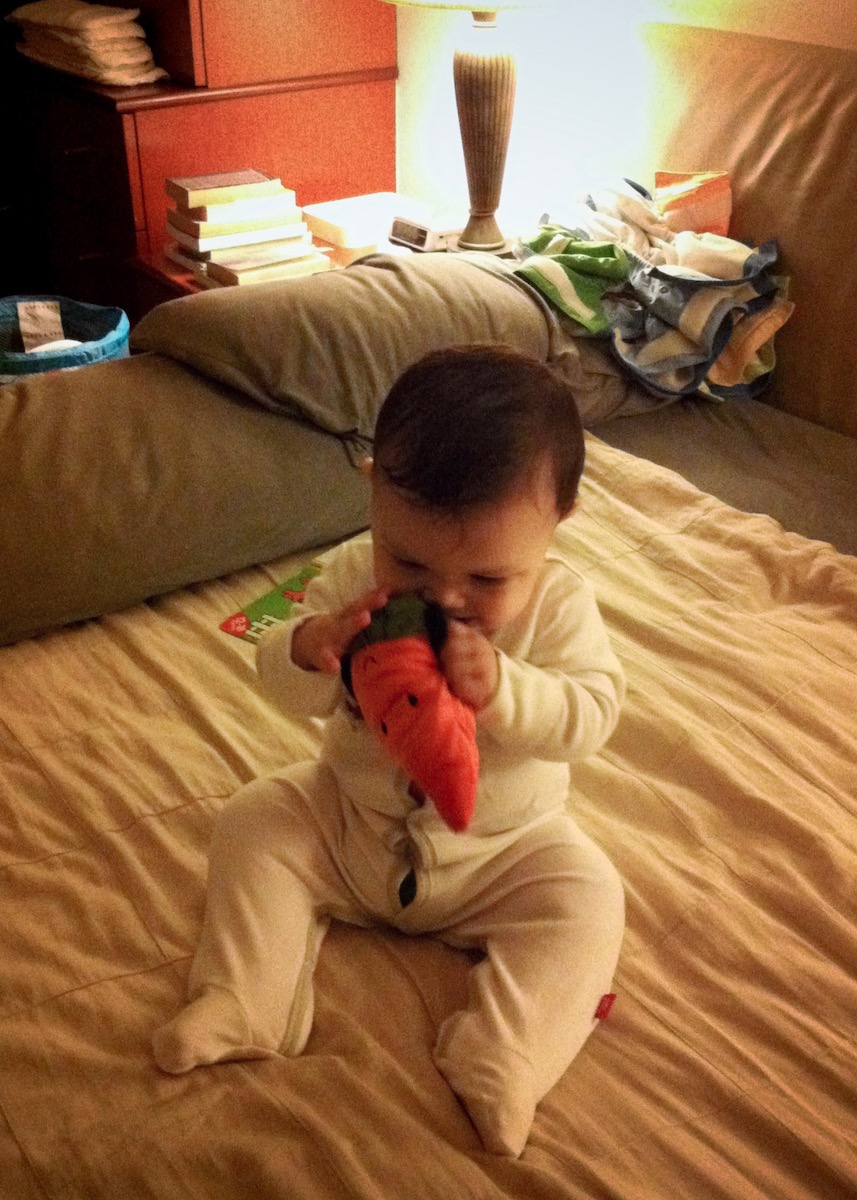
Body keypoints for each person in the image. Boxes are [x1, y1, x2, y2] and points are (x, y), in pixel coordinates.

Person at [152, 344, 626, 1158]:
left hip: (502, 850)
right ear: (372, 488)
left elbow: (592, 714)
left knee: (590, 900)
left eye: (487, 580)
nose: (443, 597)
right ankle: (246, 1000)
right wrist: (310, 647)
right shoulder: (347, 575)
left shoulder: (560, 608)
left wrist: (505, 688)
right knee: (256, 818)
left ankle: (505, 1054)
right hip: (348, 823)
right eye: (407, 560)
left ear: (558, 523)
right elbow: (277, 680)